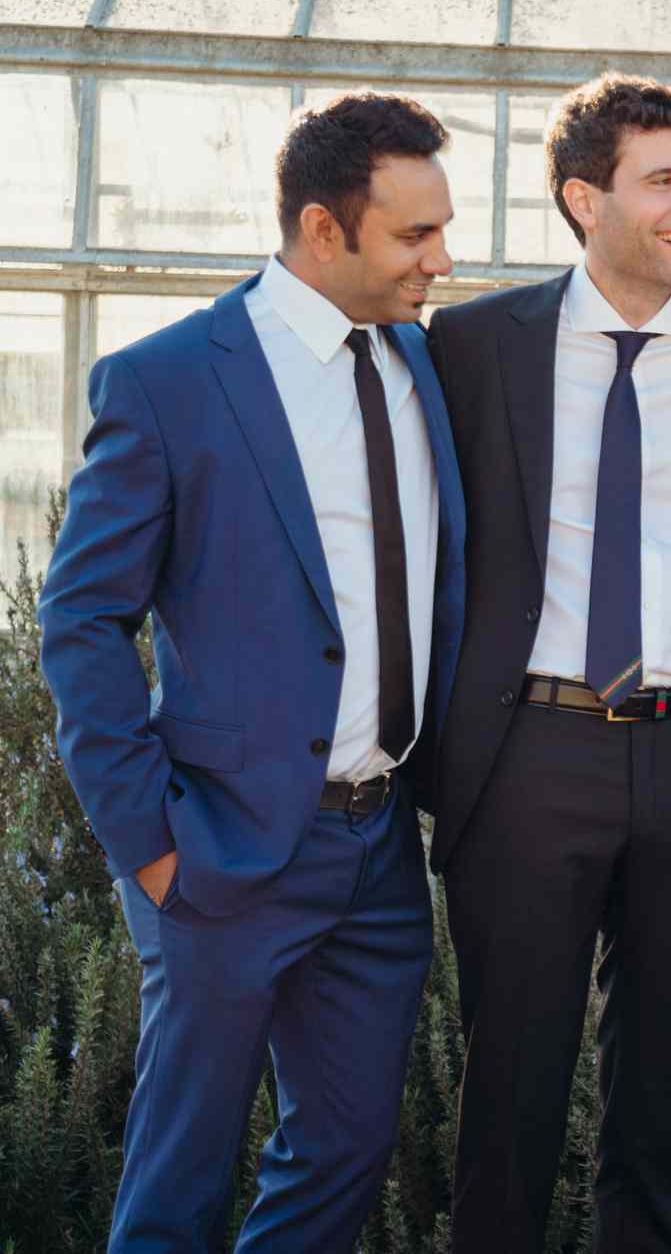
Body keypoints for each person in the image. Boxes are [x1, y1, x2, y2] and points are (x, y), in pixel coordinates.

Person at [38, 93, 466, 1252]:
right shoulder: (170, 382)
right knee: (177, 1188)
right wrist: (154, 848)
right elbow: (81, 621)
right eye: (414, 236)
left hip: (380, 851)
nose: (443, 257)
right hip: (220, 852)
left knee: (342, 1157)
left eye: (443, 227)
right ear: (324, 231)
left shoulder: (429, 365)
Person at [426, 73, 671, 1253]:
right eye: (665, 180)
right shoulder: (478, 345)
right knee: (512, 1089)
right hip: (532, 751)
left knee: (661, 1097)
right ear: (588, 199)